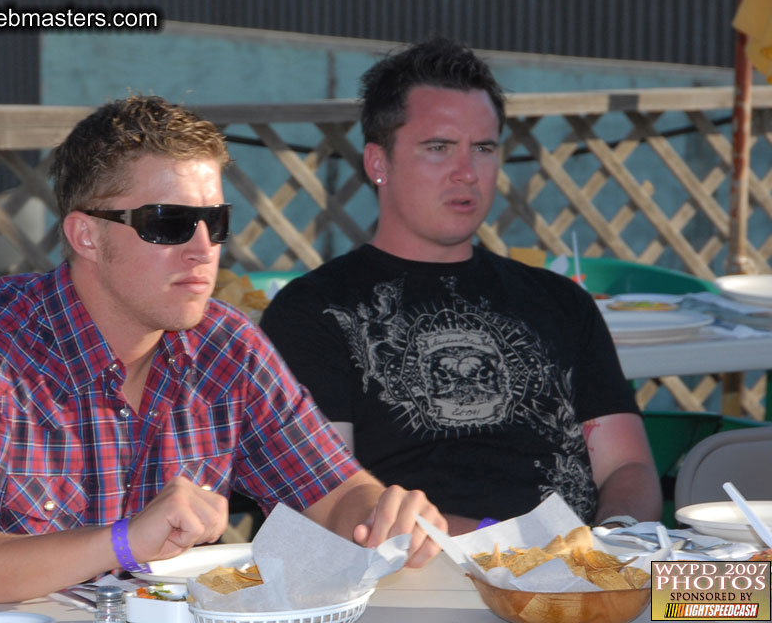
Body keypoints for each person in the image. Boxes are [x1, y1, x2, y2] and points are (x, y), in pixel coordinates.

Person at [0, 95, 447, 605]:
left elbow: (336, 492)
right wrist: (123, 542)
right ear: (86, 236)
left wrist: (381, 516)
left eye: (214, 221)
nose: (203, 249)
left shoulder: (227, 348)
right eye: (169, 223)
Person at [260, 38, 662, 535]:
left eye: (484, 149)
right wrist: (517, 553)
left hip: (585, 585)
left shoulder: (561, 301)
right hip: (423, 588)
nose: (467, 172)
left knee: (733, 601)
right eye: (438, 148)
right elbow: (327, 501)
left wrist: (616, 544)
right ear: (377, 163)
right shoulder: (315, 311)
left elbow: (629, 467)